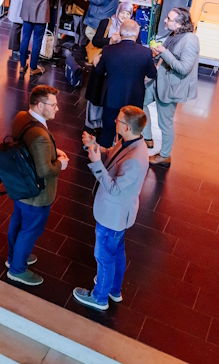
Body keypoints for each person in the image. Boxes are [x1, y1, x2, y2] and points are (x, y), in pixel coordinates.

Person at [74, 106, 150, 311]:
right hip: (118, 215)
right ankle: (114, 290)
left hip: (113, 215)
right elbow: (113, 156)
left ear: (127, 127)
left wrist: (96, 164)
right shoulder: (130, 141)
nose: (115, 122)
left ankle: (99, 297)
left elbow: (115, 189)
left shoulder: (135, 159)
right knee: (116, 252)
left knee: (104, 257)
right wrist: (95, 146)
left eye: (118, 120)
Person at [5, 85, 69, 286]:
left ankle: (13, 257)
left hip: (20, 185)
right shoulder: (41, 136)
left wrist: (52, 152)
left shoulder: (22, 117)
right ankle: (17, 269)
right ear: (40, 105)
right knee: (30, 230)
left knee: (17, 222)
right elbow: (45, 171)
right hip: (35, 194)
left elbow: (32, 149)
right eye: (53, 105)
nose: (57, 108)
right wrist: (61, 164)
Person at [145, 7, 200, 165]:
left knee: (165, 123)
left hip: (171, 87)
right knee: (139, 101)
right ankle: (147, 137)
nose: (165, 20)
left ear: (180, 24)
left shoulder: (190, 40)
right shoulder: (174, 34)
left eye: (169, 19)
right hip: (159, 80)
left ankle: (165, 155)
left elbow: (184, 68)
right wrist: (158, 54)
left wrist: (164, 52)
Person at [89, 20, 155, 147]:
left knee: (108, 131)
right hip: (134, 99)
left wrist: (97, 63)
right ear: (137, 34)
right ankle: (125, 155)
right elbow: (152, 74)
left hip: (112, 97)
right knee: (129, 133)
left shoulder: (108, 50)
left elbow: (100, 71)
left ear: (120, 32)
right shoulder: (146, 53)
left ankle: (104, 155)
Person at [18, 0, 60, 78]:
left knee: (25, 38)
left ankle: (22, 65)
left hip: (27, 12)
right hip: (40, 14)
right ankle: (33, 68)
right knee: (37, 40)